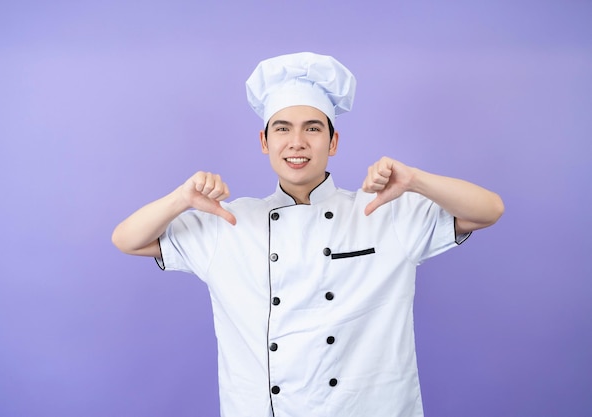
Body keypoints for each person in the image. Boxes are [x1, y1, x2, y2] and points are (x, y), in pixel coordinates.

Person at [112, 52, 504, 417]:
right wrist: (181, 199)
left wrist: (416, 180)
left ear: (333, 142)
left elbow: (488, 210)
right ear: (265, 142)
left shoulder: (382, 211)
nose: (297, 142)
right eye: (282, 129)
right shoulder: (228, 222)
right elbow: (127, 239)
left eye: (312, 129)